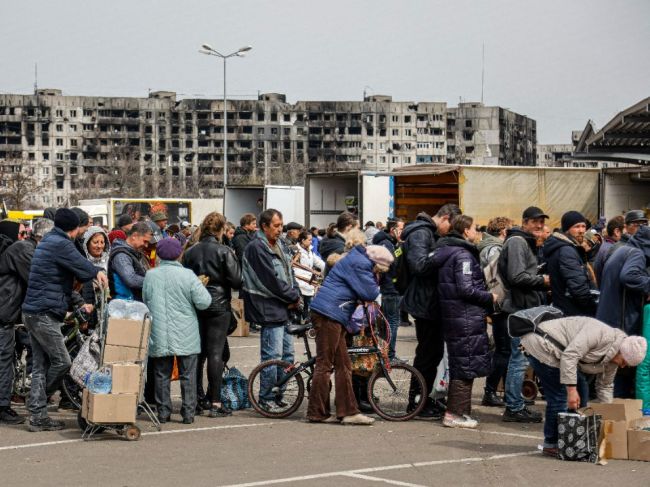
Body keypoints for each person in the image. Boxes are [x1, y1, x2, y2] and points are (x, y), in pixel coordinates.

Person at [22, 208, 108, 432]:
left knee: (42, 365)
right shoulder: (61, 243)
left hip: (35, 311)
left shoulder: (49, 241)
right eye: (82, 228)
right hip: (43, 313)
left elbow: (68, 273)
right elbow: (81, 266)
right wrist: (97, 272)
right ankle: (37, 403)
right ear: (74, 228)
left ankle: (38, 417)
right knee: (63, 362)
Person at [520, 316, 647, 457]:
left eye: (627, 365)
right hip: (542, 344)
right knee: (560, 396)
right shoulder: (599, 334)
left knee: (583, 390)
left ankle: (573, 437)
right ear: (621, 351)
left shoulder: (614, 361)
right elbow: (570, 356)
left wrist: (609, 416)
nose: (623, 366)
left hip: (563, 354)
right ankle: (552, 443)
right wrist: (571, 390)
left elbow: (605, 386)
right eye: (624, 361)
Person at [307, 244, 393, 425]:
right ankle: (317, 413)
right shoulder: (360, 264)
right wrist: (377, 281)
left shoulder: (357, 259)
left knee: (344, 365)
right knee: (325, 365)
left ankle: (347, 412)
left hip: (333, 314)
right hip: (329, 314)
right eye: (380, 270)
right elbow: (370, 292)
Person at [433, 215, 495, 428]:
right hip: (465, 316)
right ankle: (455, 414)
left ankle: (461, 412)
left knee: (462, 362)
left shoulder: (449, 251)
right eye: (475, 228)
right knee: (465, 365)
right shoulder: (463, 256)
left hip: (457, 315)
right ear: (466, 231)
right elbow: (466, 288)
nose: (477, 232)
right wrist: (489, 297)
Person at [401, 205, 462, 418]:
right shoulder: (421, 233)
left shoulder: (428, 232)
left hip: (430, 303)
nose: (450, 230)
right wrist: (443, 253)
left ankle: (426, 399)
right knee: (427, 355)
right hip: (424, 304)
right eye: (451, 225)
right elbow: (418, 265)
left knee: (433, 354)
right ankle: (417, 402)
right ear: (445, 218)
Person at [143, 238, 212, 425]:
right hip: (185, 330)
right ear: (180, 254)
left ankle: (163, 412)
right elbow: (204, 302)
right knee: (188, 374)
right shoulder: (188, 276)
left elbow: (146, 299)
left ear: (158, 255)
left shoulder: (151, 275)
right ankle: (188, 412)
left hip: (160, 330)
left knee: (161, 373)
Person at [241, 209, 301, 412]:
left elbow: (289, 272)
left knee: (288, 356)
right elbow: (269, 281)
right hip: (268, 308)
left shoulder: (280, 244)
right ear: (264, 226)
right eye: (276, 226)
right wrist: (292, 296)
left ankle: (278, 394)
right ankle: (266, 398)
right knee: (272, 357)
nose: (280, 230)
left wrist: (296, 294)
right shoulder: (256, 248)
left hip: (283, 308)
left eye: (281, 225)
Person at [183, 212, 242, 418]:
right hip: (218, 304)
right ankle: (215, 402)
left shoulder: (191, 251)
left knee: (198, 354)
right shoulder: (224, 251)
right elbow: (237, 280)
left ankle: (198, 399)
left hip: (196, 303)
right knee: (216, 353)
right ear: (221, 229)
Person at [0, 218, 54, 425]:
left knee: (8, 360)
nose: (25, 237)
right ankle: (3, 407)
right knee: (4, 361)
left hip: (8, 314)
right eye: (22, 233)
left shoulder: (12, 249)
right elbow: (37, 277)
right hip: (4, 315)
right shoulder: (20, 249)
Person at [498, 206, 550, 423]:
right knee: (518, 359)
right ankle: (514, 406)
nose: (539, 226)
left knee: (519, 358)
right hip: (519, 309)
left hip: (524, 308)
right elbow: (517, 276)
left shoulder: (524, 241)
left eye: (541, 222)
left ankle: (515, 404)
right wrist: (543, 281)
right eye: (535, 222)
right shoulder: (518, 241)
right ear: (525, 222)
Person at [597, 224, 650, 397]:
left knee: (615, 372)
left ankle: (617, 414)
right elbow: (629, 276)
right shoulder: (637, 253)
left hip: (611, 316)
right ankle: (621, 416)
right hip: (620, 319)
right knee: (621, 370)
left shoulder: (623, 249)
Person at [477, 216, 513, 407]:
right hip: (500, 304)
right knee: (504, 349)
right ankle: (490, 391)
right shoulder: (495, 249)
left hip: (496, 304)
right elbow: (496, 278)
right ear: (503, 231)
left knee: (504, 349)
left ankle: (508, 392)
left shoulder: (487, 246)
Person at [543, 211, 598, 317]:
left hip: (566, 308)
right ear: (567, 229)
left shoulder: (566, 247)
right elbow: (578, 288)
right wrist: (592, 308)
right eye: (577, 227)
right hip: (572, 312)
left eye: (583, 226)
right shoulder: (566, 250)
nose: (581, 231)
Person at [372, 218, 405, 362]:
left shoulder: (388, 243)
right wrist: (400, 245)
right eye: (401, 229)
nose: (403, 232)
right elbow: (395, 265)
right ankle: (389, 356)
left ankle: (385, 355)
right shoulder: (387, 244)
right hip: (391, 289)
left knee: (387, 323)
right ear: (393, 230)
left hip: (388, 288)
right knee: (392, 323)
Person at [108, 222, 152, 301]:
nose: (146, 245)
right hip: (124, 306)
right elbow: (131, 280)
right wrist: (153, 280)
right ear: (134, 236)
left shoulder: (134, 253)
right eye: (145, 241)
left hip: (132, 304)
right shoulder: (121, 255)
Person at [294, 230, 325, 324]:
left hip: (308, 282)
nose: (311, 242)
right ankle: (298, 322)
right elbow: (294, 266)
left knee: (309, 304)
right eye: (309, 240)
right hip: (299, 281)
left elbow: (318, 262)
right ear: (303, 240)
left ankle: (307, 323)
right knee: (299, 304)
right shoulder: (296, 251)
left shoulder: (310, 251)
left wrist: (328, 268)